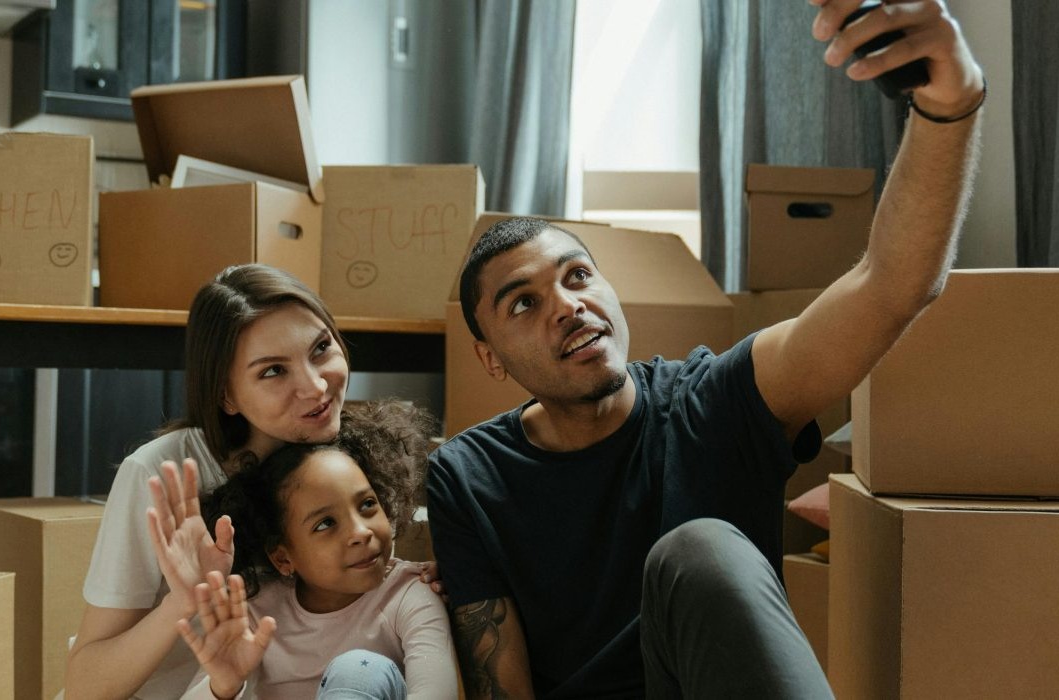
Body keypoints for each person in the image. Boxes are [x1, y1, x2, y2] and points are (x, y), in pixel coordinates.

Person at [426, 1, 985, 697]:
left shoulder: (713, 402)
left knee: (701, 549)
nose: (567, 305)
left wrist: (950, 105)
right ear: (490, 358)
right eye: (524, 303)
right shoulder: (468, 475)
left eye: (577, 277)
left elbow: (892, 285)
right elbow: (501, 685)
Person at [64, 265, 440, 699]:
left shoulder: (346, 451)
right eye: (273, 371)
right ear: (226, 394)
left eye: (321, 348)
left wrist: (433, 577)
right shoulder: (164, 473)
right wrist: (183, 603)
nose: (315, 385)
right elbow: (83, 687)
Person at [148, 400, 457, 699]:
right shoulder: (256, 610)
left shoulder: (410, 594)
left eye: (367, 505)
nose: (361, 532)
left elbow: (437, 693)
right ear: (283, 557)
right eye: (325, 524)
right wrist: (223, 686)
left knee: (360, 670)